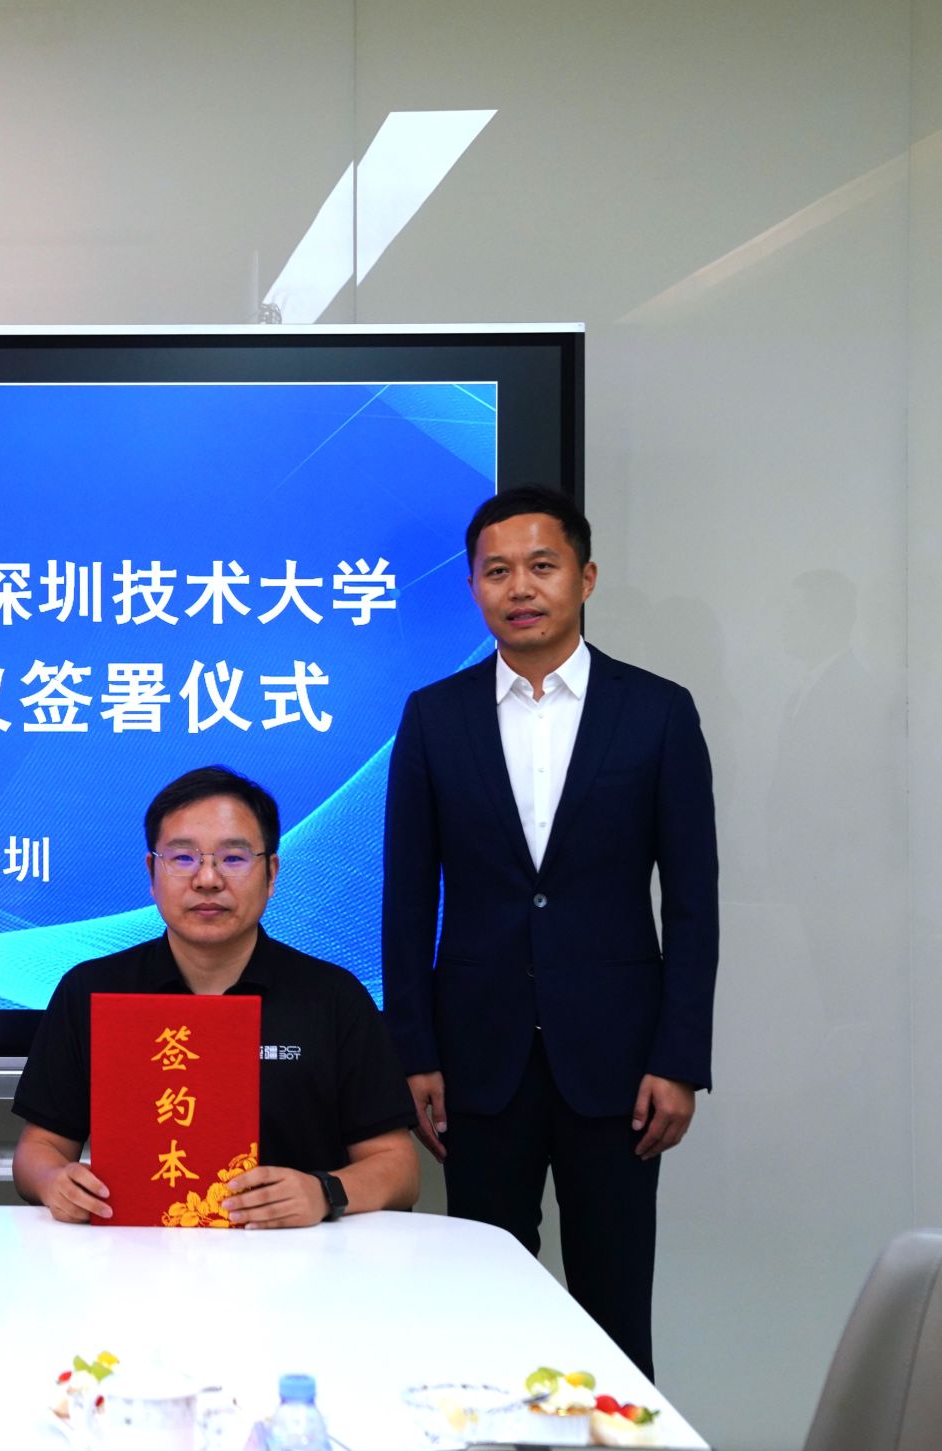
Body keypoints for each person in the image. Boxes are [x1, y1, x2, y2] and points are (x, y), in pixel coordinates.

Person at [382, 484, 718, 1380]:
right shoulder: (434, 716)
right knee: (483, 1306)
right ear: (473, 587)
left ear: (585, 577)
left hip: (621, 1064)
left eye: (542, 565)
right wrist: (414, 1051)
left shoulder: (657, 712)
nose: (520, 588)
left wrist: (680, 1058)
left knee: (615, 1303)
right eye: (497, 571)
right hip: (477, 1059)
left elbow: (693, 900)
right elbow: (407, 900)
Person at [13, 766, 419, 1228]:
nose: (207, 879)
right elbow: (38, 1150)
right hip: (133, 1256)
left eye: (233, 858)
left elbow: (399, 1167)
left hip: (299, 1258)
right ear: (152, 873)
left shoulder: (334, 997)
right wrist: (53, 1181)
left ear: (271, 873)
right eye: (183, 858)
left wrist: (323, 1192)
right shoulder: (90, 990)